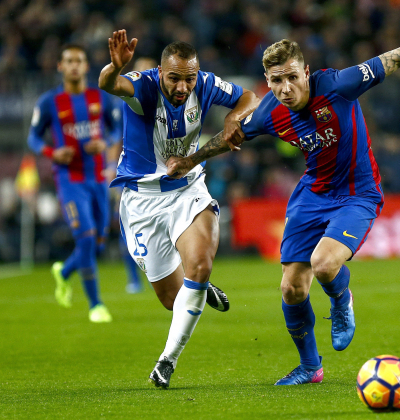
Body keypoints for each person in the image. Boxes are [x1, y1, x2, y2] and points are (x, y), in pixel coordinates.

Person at [166, 25, 400, 384]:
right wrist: (190, 160)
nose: (286, 88)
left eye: (293, 78)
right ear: (268, 79)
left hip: (358, 193)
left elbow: (397, 56)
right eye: (277, 81)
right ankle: (311, 367)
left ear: (306, 72)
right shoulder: (268, 112)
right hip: (312, 194)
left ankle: (342, 301)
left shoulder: (339, 84)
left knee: (324, 265)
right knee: (291, 288)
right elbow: (229, 137)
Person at [98, 30, 259, 388]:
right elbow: (110, 85)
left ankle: (166, 361)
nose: (183, 86)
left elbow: (250, 97)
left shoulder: (204, 83)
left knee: (199, 266)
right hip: (142, 201)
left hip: (188, 188)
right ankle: (199, 288)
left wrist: (234, 119)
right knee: (173, 300)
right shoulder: (144, 86)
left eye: (189, 78)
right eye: (175, 78)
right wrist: (114, 67)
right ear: (160, 72)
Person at [28, 44, 121, 323]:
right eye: (68, 61)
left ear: (85, 66)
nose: (74, 65)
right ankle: (96, 305)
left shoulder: (100, 97)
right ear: (59, 66)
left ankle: (64, 271)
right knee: (87, 237)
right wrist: (51, 153)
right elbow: (33, 138)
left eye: (79, 60)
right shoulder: (48, 102)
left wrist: (105, 141)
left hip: (97, 176)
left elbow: (116, 127)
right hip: (69, 179)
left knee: (98, 243)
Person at [107, 56, 159, 294]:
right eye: (140, 70)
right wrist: (110, 166)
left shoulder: (165, 98)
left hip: (163, 172)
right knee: (129, 225)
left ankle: (160, 273)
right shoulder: (125, 101)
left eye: (149, 69)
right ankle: (133, 279)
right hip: (132, 172)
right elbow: (117, 137)